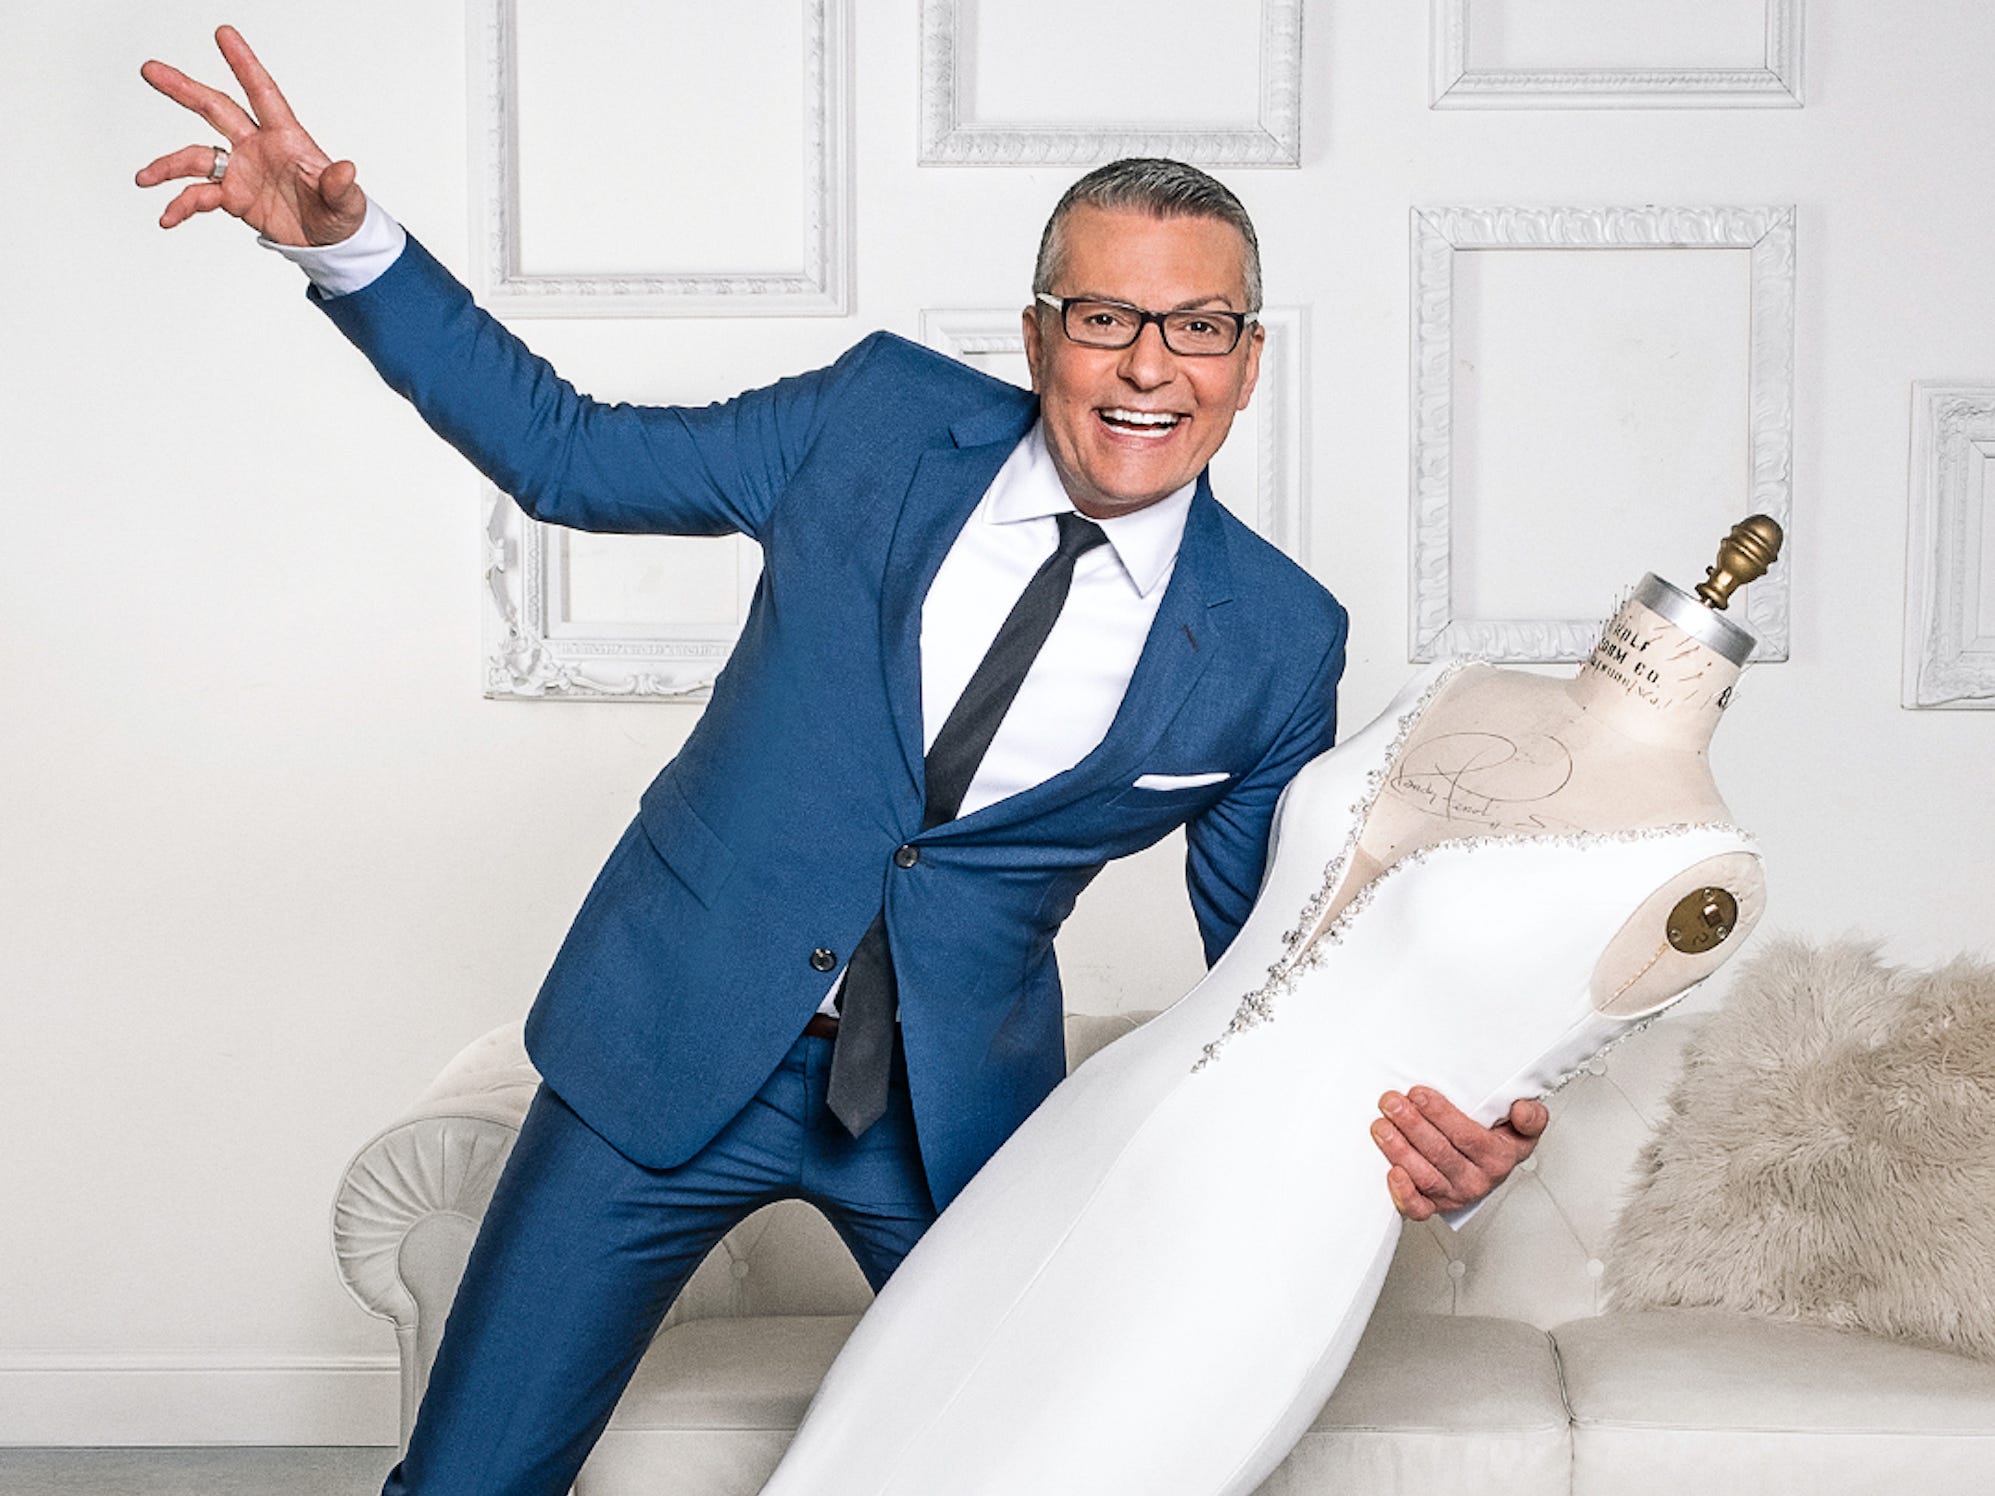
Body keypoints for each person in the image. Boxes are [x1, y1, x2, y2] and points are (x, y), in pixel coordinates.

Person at [136, 28, 1544, 1493]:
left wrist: (1435, 1104)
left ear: (1246, 363)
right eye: (1103, 318)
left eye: (1195, 328)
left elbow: (1274, 958)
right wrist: (350, 246)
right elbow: (568, 453)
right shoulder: (870, 425)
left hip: (946, 1125)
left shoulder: (1270, 637)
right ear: (1035, 334)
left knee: (1039, 1467)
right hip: (665, 1051)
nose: (1146, 368)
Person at [758, 571, 1770, 1495]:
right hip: (1093, 1122)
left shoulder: (1700, 866)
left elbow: (1506, 1090)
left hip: (1276, 1211)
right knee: (865, 1442)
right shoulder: (1455, 687)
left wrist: (1485, 1154)